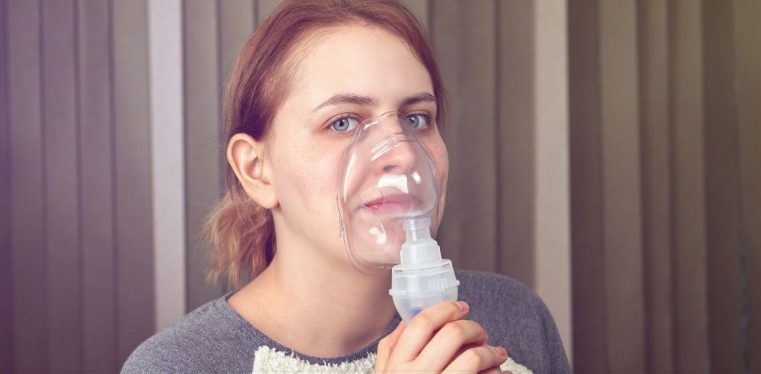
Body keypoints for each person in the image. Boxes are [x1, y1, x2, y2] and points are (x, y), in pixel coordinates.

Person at [123, 0, 570, 373]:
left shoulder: (514, 318)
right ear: (257, 170)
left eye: (416, 118)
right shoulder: (179, 366)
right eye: (343, 122)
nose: (401, 153)